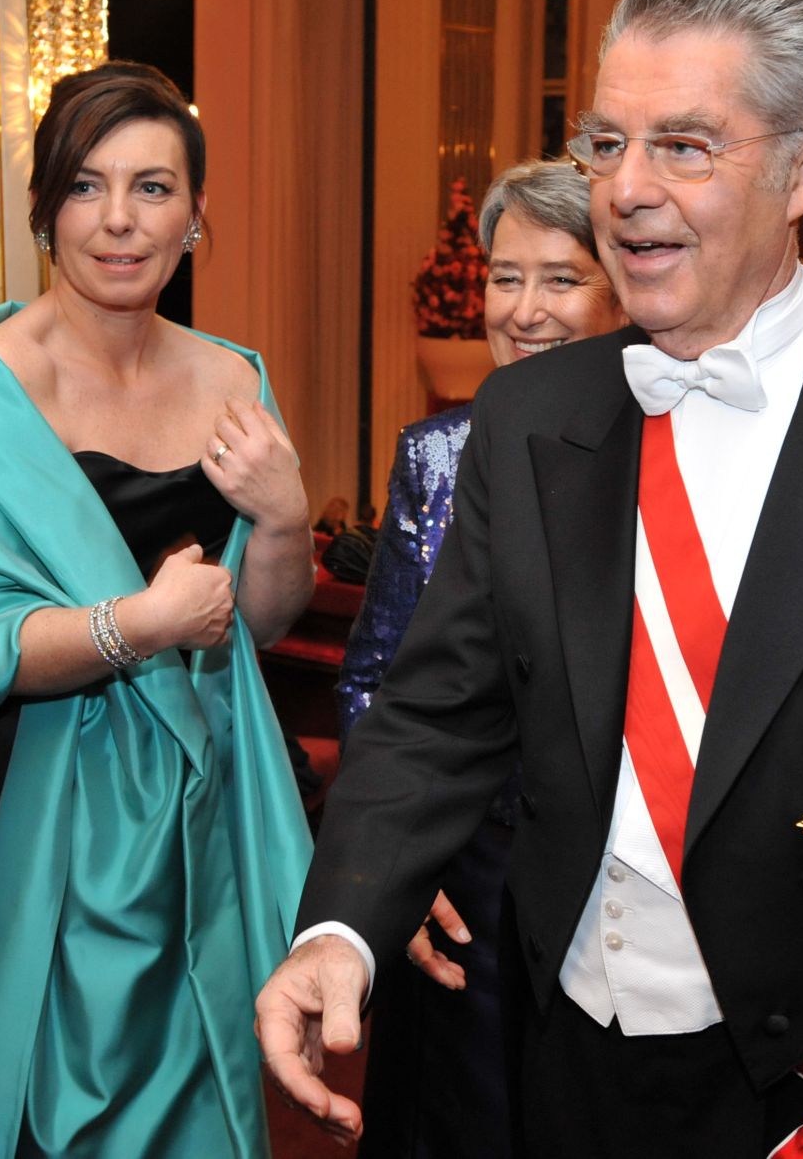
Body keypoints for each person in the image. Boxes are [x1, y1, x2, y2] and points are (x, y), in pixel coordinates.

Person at [258, 0, 803, 1157]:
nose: (624, 189)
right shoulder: (528, 417)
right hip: (552, 1070)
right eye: (606, 143)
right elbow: (438, 717)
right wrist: (336, 934)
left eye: (683, 147)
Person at [0, 61, 314, 1158]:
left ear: (195, 215)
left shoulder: (235, 374)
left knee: (207, 1097)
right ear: (42, 210)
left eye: (152, 188)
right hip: (43, 811)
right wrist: (137, 627)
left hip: (206, 799)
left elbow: (263, 623)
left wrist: (281, 521)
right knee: (51, 1110)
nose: (119, 222)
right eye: (86, 187)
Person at [334, 160, 625, 1158]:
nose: (524, 309)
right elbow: (378, 679)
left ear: (620, 289)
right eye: (506, 278)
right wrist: (391, 871)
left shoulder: (667, 454)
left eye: (559, 277)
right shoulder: (435, 455)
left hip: (613, 881)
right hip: (466, 879)